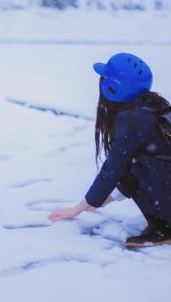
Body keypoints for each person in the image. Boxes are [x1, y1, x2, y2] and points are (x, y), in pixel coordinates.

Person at [48, 53, 171, 248]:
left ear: (113, 88)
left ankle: (165, 228)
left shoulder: (134, 120)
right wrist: (106, 199)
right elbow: (150, 165)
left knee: (127, 162)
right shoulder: (152, 106)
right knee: (131, 161)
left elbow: (113, 169)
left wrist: (80, 207)